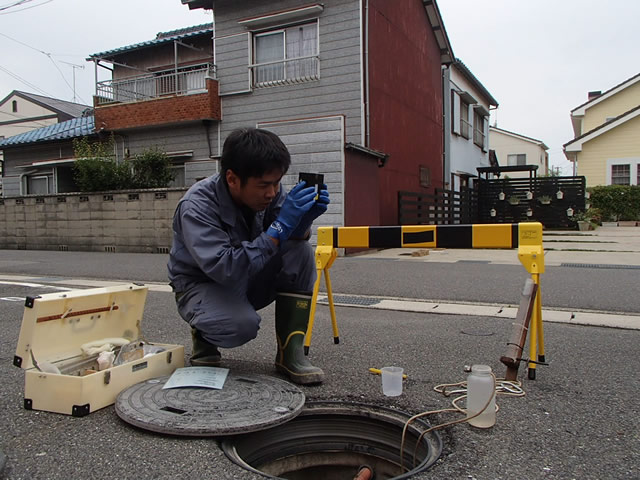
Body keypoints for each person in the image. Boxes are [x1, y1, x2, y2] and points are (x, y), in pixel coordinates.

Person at [167, 127, 330, 385]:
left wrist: (303, 222)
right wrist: (280, 228)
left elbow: (288, 241)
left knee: (301, 251)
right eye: (264, 185)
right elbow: (225, 268)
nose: (273, 193)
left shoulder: (269, 194)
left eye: (277, 182)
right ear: (232, 179)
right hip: (203, 285)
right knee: (240, 325)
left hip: (248, 275)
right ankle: (204, 333)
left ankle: (290, 353)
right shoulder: (197, 205)